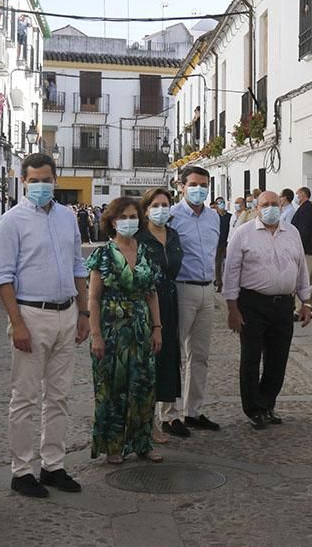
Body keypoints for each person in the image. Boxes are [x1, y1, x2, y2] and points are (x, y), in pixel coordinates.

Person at [0, 153, 89, 498]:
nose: (41, 186)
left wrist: (84, 313)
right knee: (25, 397)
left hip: (67, 313)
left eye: (46, 179)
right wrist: (16, 323)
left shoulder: (67, 218)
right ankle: (21, 471)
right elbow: (3, 276)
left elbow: (78, 265)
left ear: (56, 179)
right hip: (31, 315)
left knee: (59, 396)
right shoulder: (10, 222)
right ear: (23, 182)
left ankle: (53, 465)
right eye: (34, 180)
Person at [223, 191, 312, 430]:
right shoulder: (243, 234)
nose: (270, 208)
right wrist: (232, 307)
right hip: (252, 304)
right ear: (257, 208)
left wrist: (306, 301)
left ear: (281, 206)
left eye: (274, 204)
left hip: (284, 305)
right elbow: (231, 271)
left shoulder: (292, 233)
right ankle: (254, 408)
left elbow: (301, 267)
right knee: (251, 358)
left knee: (278, 358)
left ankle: (267, 403)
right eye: (265, 204)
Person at [87, 197, 163, 464]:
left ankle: (143, 443)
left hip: (141, 328)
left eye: (133, 217)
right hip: (111, 329)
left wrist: (157, 327)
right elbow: (94, 298)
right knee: (112, 388)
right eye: (123, 217)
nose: (128, 222)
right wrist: (95, 333)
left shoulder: (145, 252)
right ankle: (114, 446)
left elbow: (152, 293)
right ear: (111, 221)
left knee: (144, 385)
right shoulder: (103, 254)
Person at [162, 165, 221, 437]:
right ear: (181, 186)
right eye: (194, 184)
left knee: (201, 355)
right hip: (181, 288)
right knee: (175, 353)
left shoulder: (214, 217)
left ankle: (193, 411)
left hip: (207, 290)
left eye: (204, 185)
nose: (200, 189)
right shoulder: (171, 217)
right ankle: (168, 415)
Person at [135, 188, 183, 445]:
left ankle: (163, 417)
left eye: (165, 204)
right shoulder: (138, 237)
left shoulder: (173, 235)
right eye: (155, 205)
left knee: (166, 360)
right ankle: (145, 423)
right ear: (146, 209)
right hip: (145, 304)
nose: (161, 209)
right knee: (146, 362)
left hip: (170, 301)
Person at [291, 187, 312, 317]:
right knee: (308, 278)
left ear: (303, 195)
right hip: (305, 249)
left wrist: (298, 247)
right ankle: (309, 304)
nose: (296, 197)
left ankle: (301, 308)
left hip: (306, 250)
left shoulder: (307, 209)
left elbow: (304, 231)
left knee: (304, 278)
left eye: (297, 194)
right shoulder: (304, 208)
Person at [214, 198, 232, 292]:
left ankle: (227, 283)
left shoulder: (229, 216)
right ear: (216, 205)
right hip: (217, 243)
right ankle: (219, 283)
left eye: (223, 202)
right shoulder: (214, 217)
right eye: (219, 203)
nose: (222, 204)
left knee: (227, 263)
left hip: (227, 243)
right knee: (217, 264)